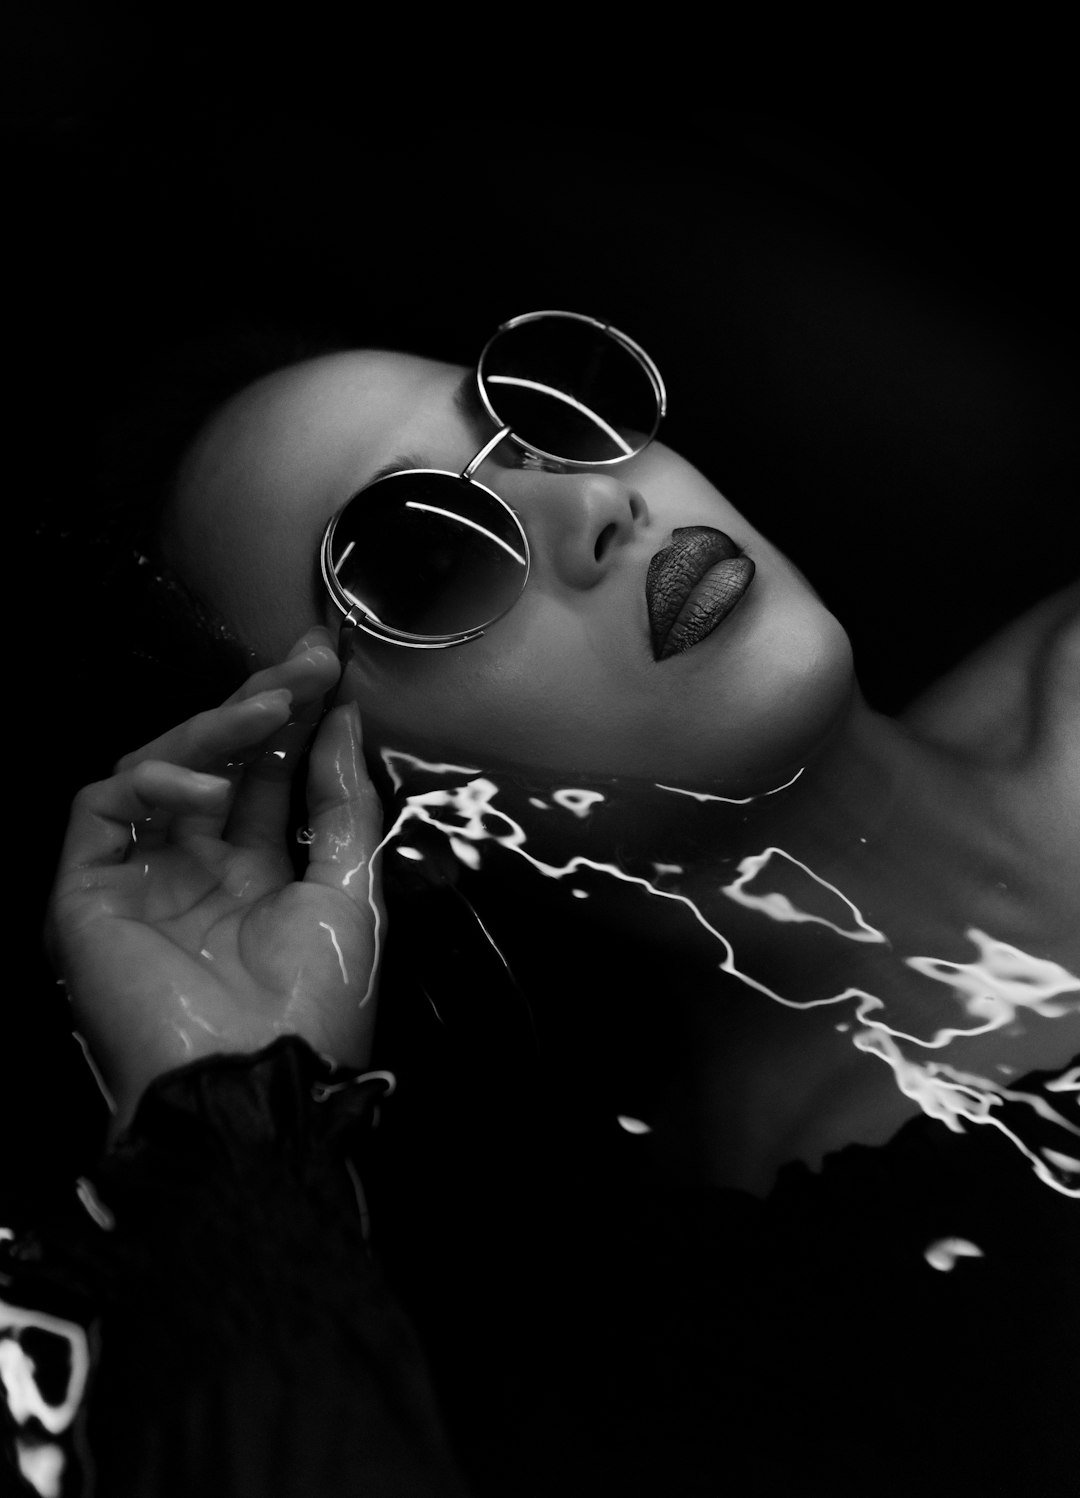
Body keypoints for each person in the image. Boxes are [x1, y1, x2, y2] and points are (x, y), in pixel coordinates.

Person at [4, 311, 1078, 1496]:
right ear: (377, 810)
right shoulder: (778, 1335)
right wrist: (232, 1122)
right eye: (426, 556)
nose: (599, 509)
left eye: (546, 422)